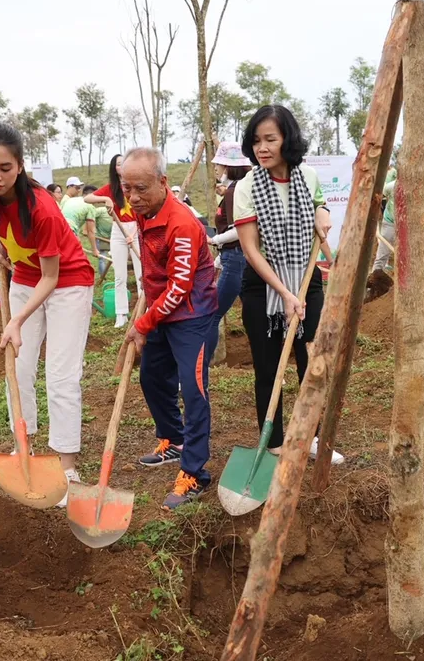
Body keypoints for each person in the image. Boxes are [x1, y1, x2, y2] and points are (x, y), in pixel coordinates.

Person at [0, 122, 95, 507]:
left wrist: (16, 319)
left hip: (68, 283)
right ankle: (20, 447)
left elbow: (53, 276)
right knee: (18, 368)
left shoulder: (42, 209)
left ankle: (67, 466)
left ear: (20, 166)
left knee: (60, 373)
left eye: (5, 168)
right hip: (24, 276)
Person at [233, 104, 343, 465]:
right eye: (256, 141)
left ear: (287, 140)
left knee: (312, 363)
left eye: (270, 140)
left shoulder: (307, 176)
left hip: (307, 281)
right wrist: (283, 292)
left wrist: (323, 213)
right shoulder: (246, 187)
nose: (262, 148)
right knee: (268, 369)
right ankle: (276, 444)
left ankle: (310, 437)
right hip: (263, 288)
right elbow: (250, 249)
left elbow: (320, 204)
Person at [118, 147, 218, 510]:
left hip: (192, 316)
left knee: (194, 393)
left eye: (140, 188)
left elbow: (179, 288)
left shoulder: (183, 224)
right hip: (161, 310)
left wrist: (142, 324)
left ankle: (195, 473)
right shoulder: (142, 210)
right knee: (151, 376)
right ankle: (173, 440)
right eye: (126, 187)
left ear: (163, 183)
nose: (133, 197)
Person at [85, 154, 143, 328]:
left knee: (142, 274)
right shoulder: (112, 188)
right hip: (118, 231)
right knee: (120, 276)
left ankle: (143, 312)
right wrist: (106, 199)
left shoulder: (135, 185)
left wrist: (136, 232)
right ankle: (121, 314)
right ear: (114, 168)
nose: (122, 166)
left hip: (137, 229)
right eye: (118, 164)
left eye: (124, 163)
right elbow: (87, 198)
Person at [206, 142, 251, 360]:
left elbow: (239, 231)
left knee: (212, 314)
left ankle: (202, 363)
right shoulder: (236, 189)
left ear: (229, 167)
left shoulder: (235, 192)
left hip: (235, 258)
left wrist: (214, 240)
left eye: (219, 164)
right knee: (253, 311)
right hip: (234, 257)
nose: (215, 168)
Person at [60, 179, 100, 257]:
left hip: (60, 228)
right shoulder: (90, 206)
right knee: (78, 257)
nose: (98, 201)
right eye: (97, 197)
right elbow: (90, 231)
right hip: (69, 230)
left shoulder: (72, 200)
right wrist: (94, 250)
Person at [84, 184, 113, 277]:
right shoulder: (100, 210)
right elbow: (89, 218)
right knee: (102, 258)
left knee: (115, 257)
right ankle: (103, 276)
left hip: (113, 238)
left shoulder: (114, 211)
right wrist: (86, 230)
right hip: (101, 238)